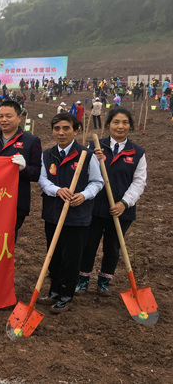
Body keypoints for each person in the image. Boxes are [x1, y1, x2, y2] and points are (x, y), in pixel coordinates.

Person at [37, 113, 103, 314]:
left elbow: (97, 182)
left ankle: (66, 295)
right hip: (53, 214)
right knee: (53, 255)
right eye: (57, 129)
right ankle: (53, 291)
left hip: (77, 216)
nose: (61, 133)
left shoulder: (86, 155)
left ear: (76, 130)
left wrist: (84, 195)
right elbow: (42, 179)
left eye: (66, 128)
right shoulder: (47, 155)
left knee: (71, 257)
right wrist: (56, 190)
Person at [76, 108, 146, 294]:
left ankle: (104, 281)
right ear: (108, 125)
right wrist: (93, 159)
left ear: (130, 126)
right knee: (89, 244)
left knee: (113, 247)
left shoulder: (137, 152)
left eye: (124, 122)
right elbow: (83, 175)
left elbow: (139, 182)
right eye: (116, 122)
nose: (120, 126)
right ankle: (82, 279)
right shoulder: (95, 147)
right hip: (95, 207)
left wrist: (124, 203)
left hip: (122, 210)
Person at [0, 101, 42, 241]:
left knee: (7, 241)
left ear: (19, 117)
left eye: (9, 116)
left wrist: (24, 168)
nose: (4, 120)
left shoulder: (31, 141)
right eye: (1, 116)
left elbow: (37, 173)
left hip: (15, 202)